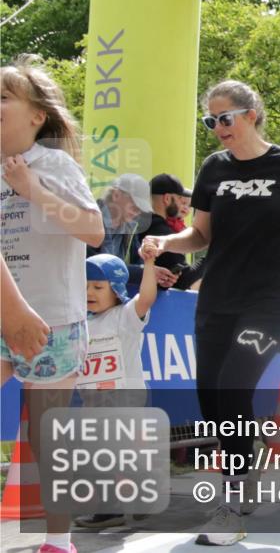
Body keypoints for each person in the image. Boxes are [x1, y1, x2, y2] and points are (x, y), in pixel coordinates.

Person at [140, 79, 280, 546]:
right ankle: (245, 470)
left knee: (233, 389)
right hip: (219, 299)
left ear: (252, 114)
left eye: (224, 118)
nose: (217, 129)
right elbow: (199, 236)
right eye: (210, 121)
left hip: (269, 301)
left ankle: (231, 508)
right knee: (212, 400)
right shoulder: (213, 168)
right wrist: (164, 241)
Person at [2, 56, 105, 553]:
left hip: (54, 321)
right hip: (3, 313)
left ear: (36, 115)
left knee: (46, 437)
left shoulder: (54, 164)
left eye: (4, 97)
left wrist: (31, 189)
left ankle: (59, 540)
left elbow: (93, 230)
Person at [73, 252, 158, 529]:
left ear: (117, 289)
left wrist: (148, 263)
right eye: (85, 286)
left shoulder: (125, 317)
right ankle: (111, 508)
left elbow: (145, 298)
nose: (90, 292)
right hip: (93, 402)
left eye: (98, 287)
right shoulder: (81, 324)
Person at [129, 173, 200, 289]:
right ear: (167, 199)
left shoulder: (141, 222)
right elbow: (183, 279)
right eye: (179, 199)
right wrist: (212, 256)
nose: (181, 206)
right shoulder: (158, 229)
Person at [90, 174, 159, 285]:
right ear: (116, 195)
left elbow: (137, 262)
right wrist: (145, 272)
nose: (138, 211)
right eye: (135, 205)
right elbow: (97, 268)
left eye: (141, 208)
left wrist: (151, 271)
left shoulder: (130, 227)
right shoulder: (91, 219)